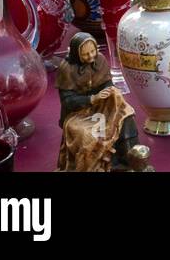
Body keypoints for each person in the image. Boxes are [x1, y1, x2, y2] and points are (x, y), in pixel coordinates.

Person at [56, 32, 140, 172]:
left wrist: (108, 91)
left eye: (92, 51)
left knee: (124, 117)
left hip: (101, 104)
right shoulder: (67, 68)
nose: (91, 57)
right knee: (87, 135)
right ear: (76, 54)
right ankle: (99, 166)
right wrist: (92, 98)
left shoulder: (100, 60)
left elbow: (107, 83)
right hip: (77, 113)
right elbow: (67, 101)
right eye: (85, 54)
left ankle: (130, 158)